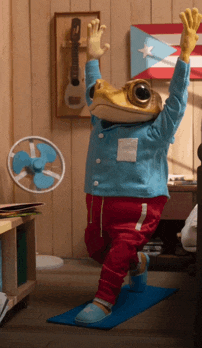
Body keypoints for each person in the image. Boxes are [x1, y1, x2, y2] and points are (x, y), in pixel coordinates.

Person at [75, 8, 202, 325]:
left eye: (139, 93)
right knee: (96, 249)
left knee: (118, 252)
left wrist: (184, 56)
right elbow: (96, 89)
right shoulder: (101, 122)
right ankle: (139, 261)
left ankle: (104, 300)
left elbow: (175, 100)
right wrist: (91, 59)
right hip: (99, 200)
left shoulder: (157, 129)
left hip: (140, 202)